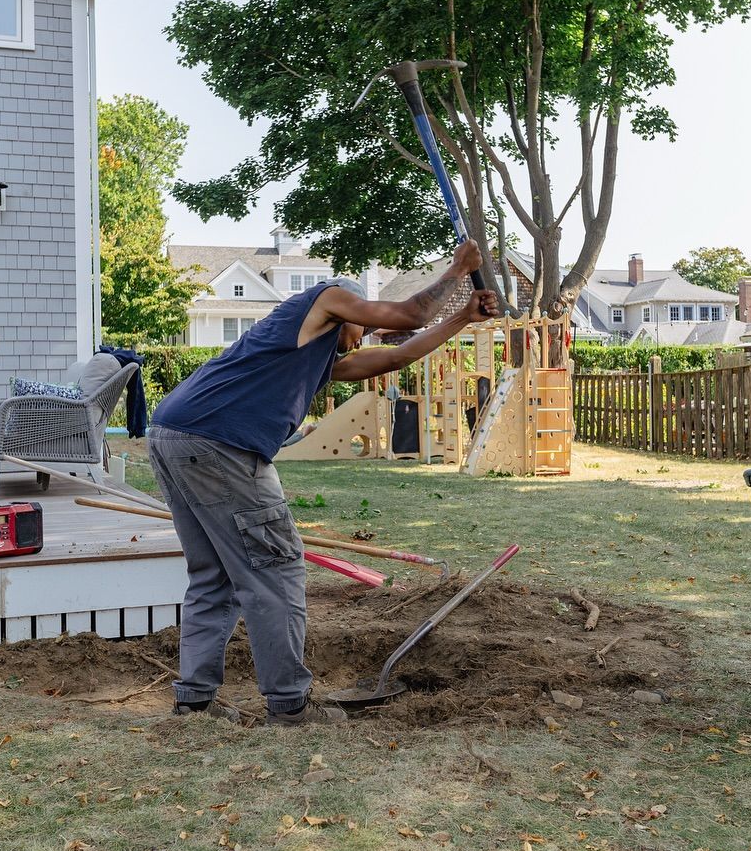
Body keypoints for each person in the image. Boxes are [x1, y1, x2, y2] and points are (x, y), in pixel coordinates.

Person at [146, 242, 499, 725]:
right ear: (345, 311)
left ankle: (194, 701)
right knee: (275, 568)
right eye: (363, 325)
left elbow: (397, 356)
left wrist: (462, 320)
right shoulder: (325, 298)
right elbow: (404, 315)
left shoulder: (309, 359)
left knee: (215, 576)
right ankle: (289, 705)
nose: (364, 336)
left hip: (174, 435)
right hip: (218, 444)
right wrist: (459, 271)